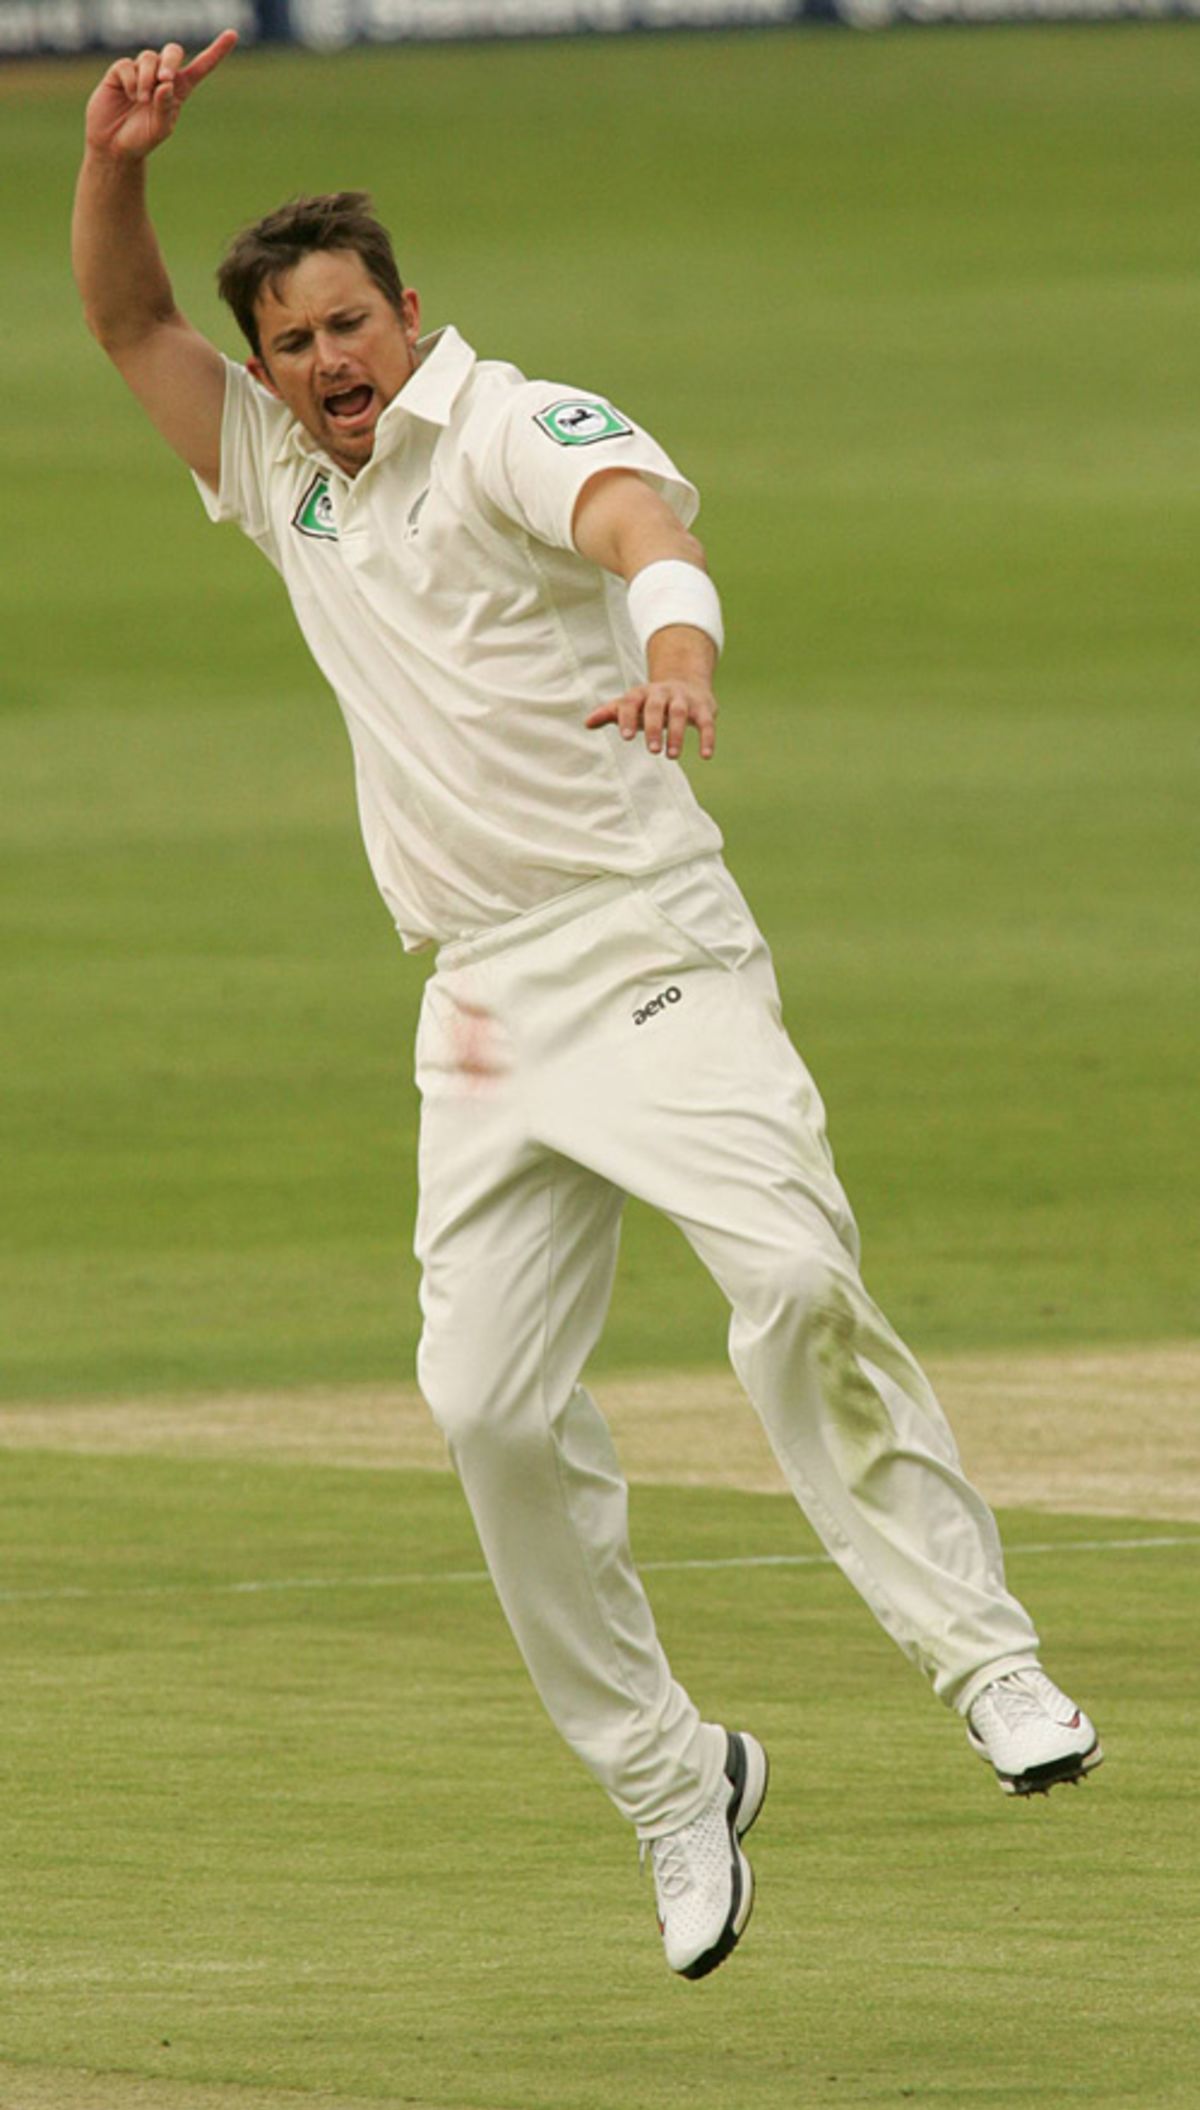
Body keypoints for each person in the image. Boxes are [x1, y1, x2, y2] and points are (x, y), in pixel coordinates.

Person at [73, 32, 1101, 1982]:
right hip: (474, 1005)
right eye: (292, 341)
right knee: (479, 1401)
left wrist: (681, 653)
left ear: (408, 314)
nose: (329, 362)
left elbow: (644, 525)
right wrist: (117, 157)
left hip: (640, 943)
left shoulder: (509, 422)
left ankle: (992, 1665)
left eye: (352, 323)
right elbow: (122, 314)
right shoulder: (283, 473)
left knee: (789, 1282)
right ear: (272, 363)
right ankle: (668, 1774)